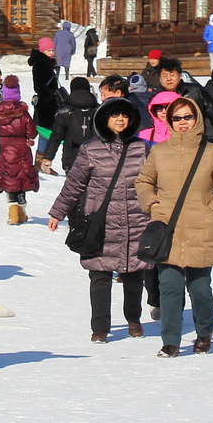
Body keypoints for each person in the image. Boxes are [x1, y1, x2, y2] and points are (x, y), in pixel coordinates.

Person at [46, 97, 154, 342]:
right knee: (99, 274)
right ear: (104, 119)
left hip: (135, 220)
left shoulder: (141, 148)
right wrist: (57, 212)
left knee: (134, 273)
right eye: (114, 115)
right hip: (100, 223)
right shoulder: (91, 149)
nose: (120, 120)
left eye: (124, 116)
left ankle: (133, 319)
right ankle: (100, 327)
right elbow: (74, 184)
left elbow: (154, 182)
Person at [135, 97, 213, 357]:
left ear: (197, 119)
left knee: (200, 289)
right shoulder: (159, 151)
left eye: (187, 117)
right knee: (169, 288)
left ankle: (204, 334)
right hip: (168, 229)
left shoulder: (210, 152)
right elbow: (144, 181)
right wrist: (153, 205)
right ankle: (170, 342)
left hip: (201, 228)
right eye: (177, 118)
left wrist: (212, 210)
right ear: (169, 120)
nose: (182, 123)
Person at [0, 75, 38, 224]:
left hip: (2, 150)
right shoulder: (23, 112)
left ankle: (12, 210)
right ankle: (21, 210)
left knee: (8, 179)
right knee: (21, 179)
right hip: (21, 149)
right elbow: (32, 131)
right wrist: (29, 137)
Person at [41, 76, 97, 175]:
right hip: (96, 158)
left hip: (71, 159)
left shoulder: (64, 111)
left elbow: (56, 136)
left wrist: (48, 157)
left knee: (74, 189)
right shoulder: (98, 110)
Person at [30, 39, 61, 154]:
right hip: (45, 104)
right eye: (49, 50)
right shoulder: (40, 64)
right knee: (45, 131)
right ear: (42, 51)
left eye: (53, 50)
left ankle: (42, 160)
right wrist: (50, 94)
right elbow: (38, 86)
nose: (52, 53)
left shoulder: (47, 63)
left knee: (47, 132)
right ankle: (41, 160)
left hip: (51, 103)